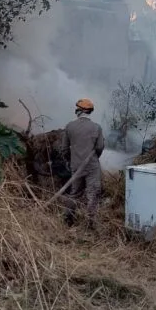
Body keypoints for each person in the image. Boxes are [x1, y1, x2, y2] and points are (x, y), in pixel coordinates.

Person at [62, 98, 105, 229]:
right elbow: (100, 147)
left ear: (80, 111)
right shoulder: (97, 128)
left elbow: (64, 149)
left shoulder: (70, 126)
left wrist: (71, 160)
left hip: (76, 166)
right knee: (93, 193)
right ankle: (90, 224)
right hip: (92, 167)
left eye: (77, 109)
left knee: (74, 193)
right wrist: (94, 159)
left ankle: (68, 220)